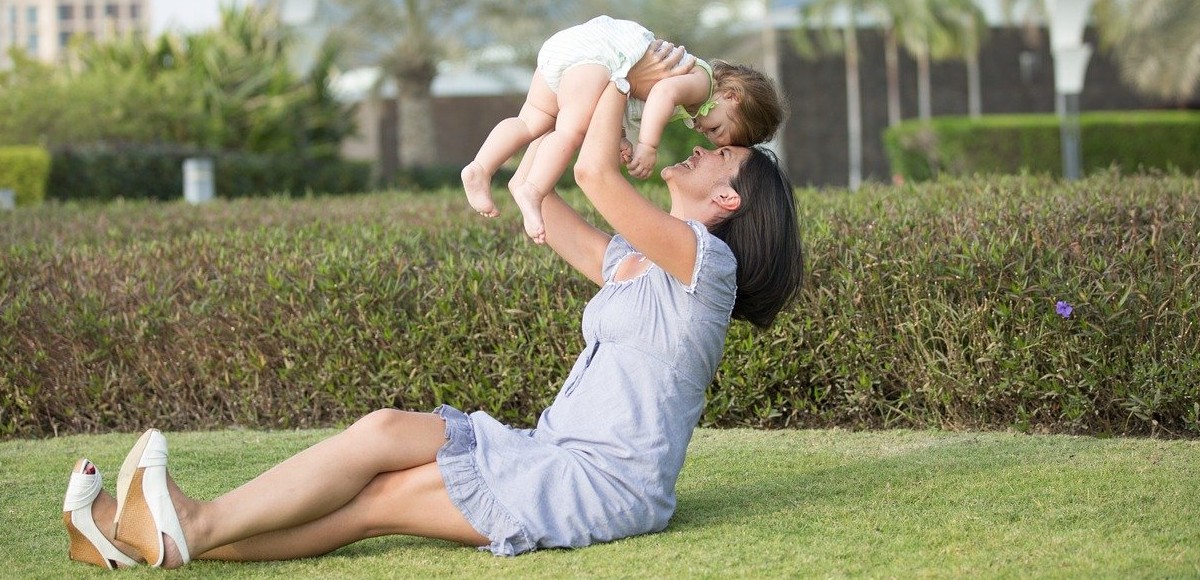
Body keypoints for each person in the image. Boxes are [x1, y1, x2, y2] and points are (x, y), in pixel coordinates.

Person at [59, 41, 804, 569]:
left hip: (601, 485)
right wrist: (541, 125)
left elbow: (597, 174)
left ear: (728, 199)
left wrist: (616, 63)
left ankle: (179, 529)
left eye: (722, 155)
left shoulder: (707, 265)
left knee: (385, 499)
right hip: (546, 448)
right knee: (384, 433)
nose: (704, 147)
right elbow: (552, 197)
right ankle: (142, 537)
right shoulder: (639, 262)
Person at [461, 14, 785, 244]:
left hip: (575, 51)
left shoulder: (695, 97)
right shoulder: (702, 84)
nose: (704, 134)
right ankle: (532, 189)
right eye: (716, 130)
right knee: (571, 131)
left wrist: (620, 137)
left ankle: (480, 167)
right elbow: (659, 92)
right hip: (602, 55)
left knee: (531, 121)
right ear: (732, 96)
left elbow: (628, 97)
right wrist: (647, 145)